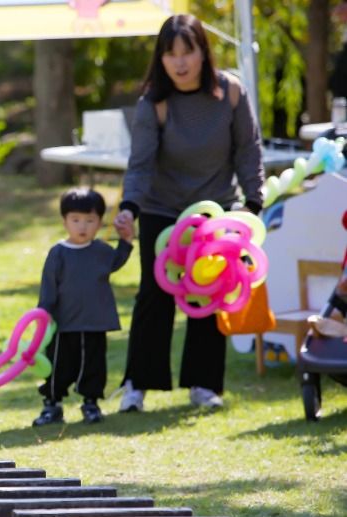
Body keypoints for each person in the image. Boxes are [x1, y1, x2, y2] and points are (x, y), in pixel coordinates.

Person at [113, 14, 264, 412]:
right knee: (154, 295)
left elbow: (248, 150)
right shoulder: (154, 103)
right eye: (170, 54)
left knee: (209, 293)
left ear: (203, 52)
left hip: (217, 208)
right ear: (160, 59)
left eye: (188, 52)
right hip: (163, 211)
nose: (180, 62)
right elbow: (140, 164)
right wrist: (129, 207)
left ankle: (203, 384)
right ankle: (136, 386)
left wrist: (253, 203)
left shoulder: (230, 92)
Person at [33, 188, 134, 427]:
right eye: (76, 220)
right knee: (58, 367)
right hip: (62, 324)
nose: (83, 227)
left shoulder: (100, 250)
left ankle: (91, 403)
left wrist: (126, 240)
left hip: (94, 321)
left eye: (90, 221)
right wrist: (44, 314)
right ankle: (52, 405)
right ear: (65, 221)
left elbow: (116, 262)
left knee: (93, 366)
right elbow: (48, 285)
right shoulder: (58, 253)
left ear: (99, 222)